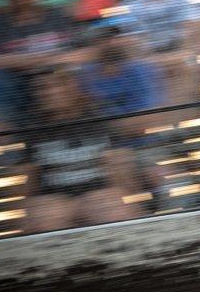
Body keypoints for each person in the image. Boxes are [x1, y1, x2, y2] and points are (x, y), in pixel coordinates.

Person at [21, 66, 143, 233]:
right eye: (42, 87)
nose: (49, 92)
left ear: (74, 87)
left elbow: (122, 173)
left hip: (100, 193)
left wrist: (127, 198)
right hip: (55, 199)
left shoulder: (100, 118)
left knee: (113, 211)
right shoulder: (32, 127)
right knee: (44, 219)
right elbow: (28, 182)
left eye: (58, 85)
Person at [0, 0, 84, 127]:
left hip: (63, 77)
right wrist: (27, 61)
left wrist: (54, 61)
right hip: (20, 85)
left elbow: (89, 51)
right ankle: (5, 135)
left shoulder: (59, 16)